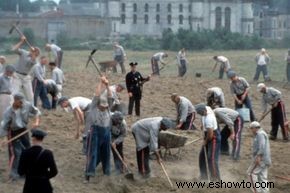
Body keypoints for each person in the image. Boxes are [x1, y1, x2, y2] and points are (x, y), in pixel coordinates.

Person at [0, 93, 40, 180]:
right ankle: (13, 174)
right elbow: (4, 126)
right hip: (12, 132)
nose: (22, 104)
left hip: (23, 130)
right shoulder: (8, 112)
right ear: (15, 101)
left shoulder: (27, 104)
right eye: (20, 102)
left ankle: (24, 172)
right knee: (15, 153)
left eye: (23, 102)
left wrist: (36, 122)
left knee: (27, 150)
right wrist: (2, 138)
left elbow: (36, 111)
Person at [85, 76, 113, 182]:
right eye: (102, 106)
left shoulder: (108, 108)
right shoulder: (93, 107)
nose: (104, 107)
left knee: (106, 153)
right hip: (95, 131)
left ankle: (107, 172)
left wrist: (107, 85)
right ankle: (89, 173)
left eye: (105, 106)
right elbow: (96, 95)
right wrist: (100, 83)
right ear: (98, 105)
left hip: (106, 131)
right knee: (92, 152)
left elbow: (110, 97)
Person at [18, 129, 58, 193]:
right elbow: (54, 171)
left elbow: (20, 171)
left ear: (33, 139)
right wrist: (45, 177)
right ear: (42, 139)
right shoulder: (48, 153)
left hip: (29, 186)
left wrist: (29, 175)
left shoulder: (25, 152)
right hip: (44, 186)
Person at [195, 103, 221, 181]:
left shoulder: (209, 118)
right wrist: (203, 125)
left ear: (204, 111)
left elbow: (210, 134)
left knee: (212, 159)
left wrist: (205, 141)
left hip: (214, 138)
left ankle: (216, 179)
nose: (201, 115)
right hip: (208, 134)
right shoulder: (206, 109)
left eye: (201, 113)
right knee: (202, 156)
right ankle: (204, 176)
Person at [12, 36, 40, 103]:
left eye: (36, 54)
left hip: (26, 77)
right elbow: (14, 49)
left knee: (30, 96)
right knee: (14, 93)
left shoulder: (35, 60)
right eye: (35, 52)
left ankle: (32, 109)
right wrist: (21, 41)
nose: (36, 54)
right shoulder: (24, 52)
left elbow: (33, 59)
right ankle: (12, 108)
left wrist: (33, 53)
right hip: (17, 75)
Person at [247, 121, 271, 193]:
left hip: (261, 159)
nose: (251, 130)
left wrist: (259, 156)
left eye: (251, 128)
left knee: (251, 173)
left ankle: (257, 191)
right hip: (266, 159)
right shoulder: (262, 133)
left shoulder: (260, 134)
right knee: (262, 176)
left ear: (255, 128)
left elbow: (262, 146)